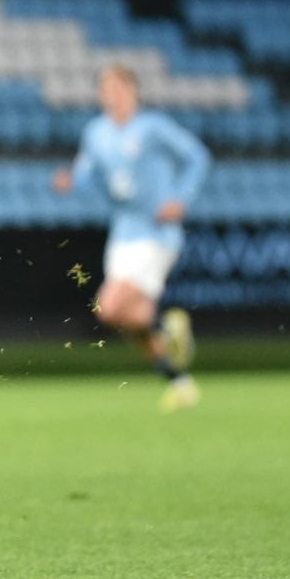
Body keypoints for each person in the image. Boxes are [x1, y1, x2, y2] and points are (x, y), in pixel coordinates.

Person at [50, 65, 210, 413]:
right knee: (132, 319)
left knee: (109, 307)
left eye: (118, 87)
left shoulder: (153, 128)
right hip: (122, 234)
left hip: (156, 233)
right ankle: (179, 379)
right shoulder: (96, 133)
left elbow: (197, 157)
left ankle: (167, 329)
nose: (112, 94)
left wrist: (181, 198)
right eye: (105, 88)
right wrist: (70, 182)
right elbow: (87, 174)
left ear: (133, 91)